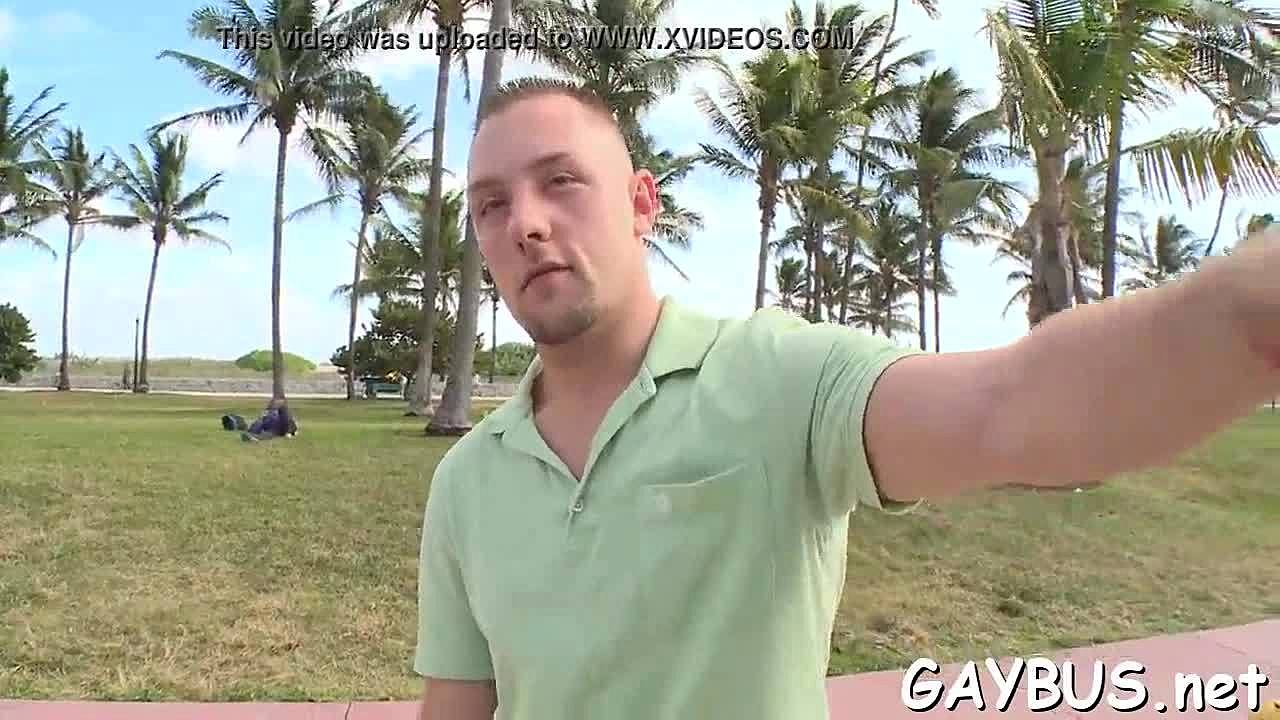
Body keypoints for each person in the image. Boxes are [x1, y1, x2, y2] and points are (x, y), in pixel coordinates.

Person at [411, 79, 1280, 720]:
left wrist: (1249, 314)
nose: (524, 223)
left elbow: (1010, 405)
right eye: (490, 205)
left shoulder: (779, 378)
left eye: (561, 181)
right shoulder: (467, 482)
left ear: (643, 205)